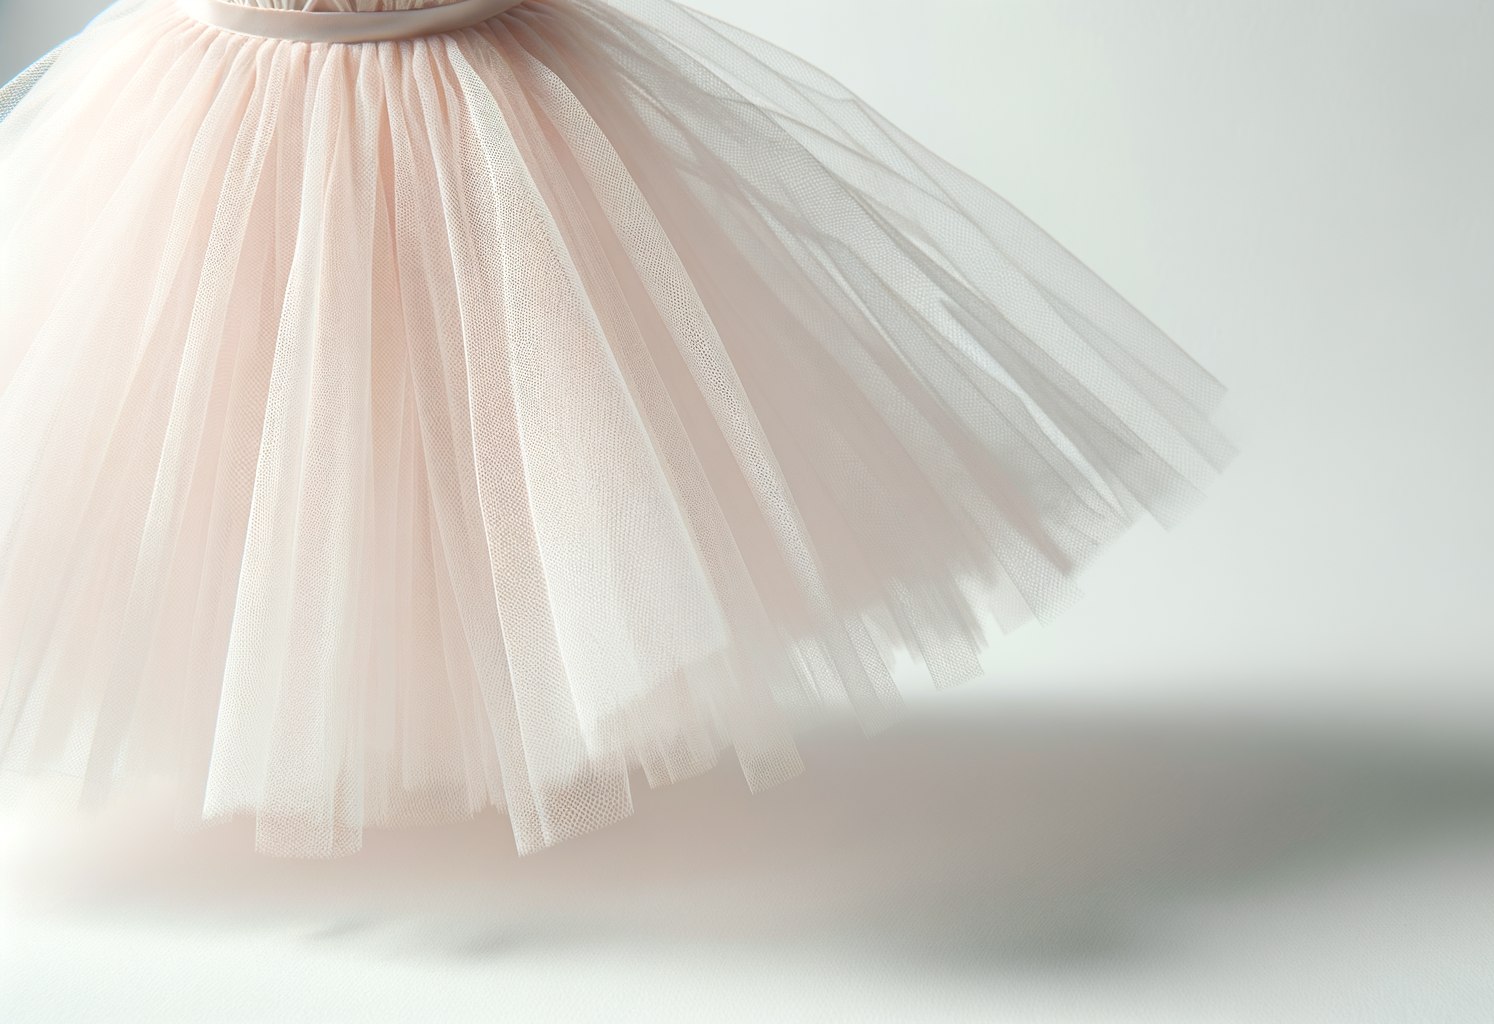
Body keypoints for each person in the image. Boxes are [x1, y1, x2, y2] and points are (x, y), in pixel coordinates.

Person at [0, 0, 1232, 856]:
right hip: (233, 71)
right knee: (238, 394)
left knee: (522, 405)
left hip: (478, 75)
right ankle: (336, 705)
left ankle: (450, 701)